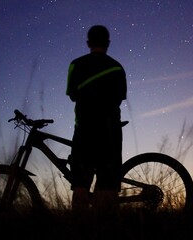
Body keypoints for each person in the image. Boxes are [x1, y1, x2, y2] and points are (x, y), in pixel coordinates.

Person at [66, 25, 127, 223]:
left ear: (88, 43)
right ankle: (106, 228)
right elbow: (119, 98)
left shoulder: (76, 65)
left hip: (84, 129)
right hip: (110, 130)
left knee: (80, 182)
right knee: (108, 182)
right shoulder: (117, 68)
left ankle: (81, 228)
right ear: (108, 43)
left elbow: (72, 95)